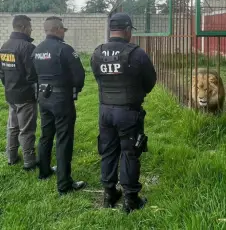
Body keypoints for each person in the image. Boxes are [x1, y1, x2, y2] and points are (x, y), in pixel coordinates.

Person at [91, 12, 156, 213]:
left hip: (105, 111)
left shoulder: (97, 52)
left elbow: (98, 77)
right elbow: (150, 81)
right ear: (127, 30)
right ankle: (130, 200)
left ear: (111, 29)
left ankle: (109, 194)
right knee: (130, 153)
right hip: (128, 112)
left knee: (108, 151)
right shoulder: (136, 53)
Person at [32, 16, 86, 194]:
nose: (64, 32)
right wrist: (75, 88)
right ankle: (64, 184)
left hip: (43, 97)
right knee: (63, 139)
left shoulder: (37, 49)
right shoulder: (65, 49)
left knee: (46, 135)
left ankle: (44, 171)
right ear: (56, 29)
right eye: (63, 29)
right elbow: (79, 76)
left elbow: (32, 75)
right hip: (61, 99)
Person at [0, 15, 38, 170]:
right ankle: (29, 161)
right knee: (27, 130)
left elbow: (2, 73)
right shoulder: (28, 47)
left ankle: (11, 157)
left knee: (12, 127)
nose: (31, 29)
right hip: (26, 96)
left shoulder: (4, 46)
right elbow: (32, 75)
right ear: (23, 27)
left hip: (11, 94)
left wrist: (9, 86)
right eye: (29, 26)